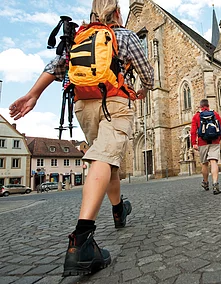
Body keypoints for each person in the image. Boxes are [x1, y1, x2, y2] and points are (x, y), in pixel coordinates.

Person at [9, 0, 154, 276]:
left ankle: (118, 209)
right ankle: (82, 239)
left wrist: (33, 94)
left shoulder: (80, 36)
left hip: (83, 107)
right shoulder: (122, 35)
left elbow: (56, 66)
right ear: (118, 12)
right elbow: (147, 72)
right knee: (103, 156)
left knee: (106, 157)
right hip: (114, 102)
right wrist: (143, 90)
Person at [190, 99, 221, 195]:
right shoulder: (215, 114)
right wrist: (218, 139)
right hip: (214, 141)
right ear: (208, 105)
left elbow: (193, 131)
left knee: (204, 163)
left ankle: (205, 183)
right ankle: (215, 184)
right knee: (214, 162)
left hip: (202, 142)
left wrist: (194, 143)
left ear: (200, 106)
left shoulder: (196, 116)